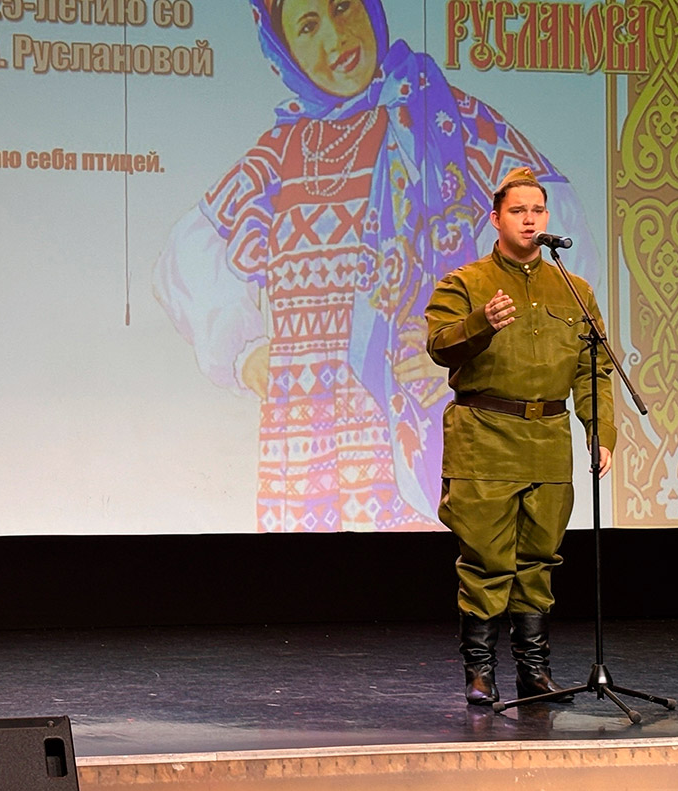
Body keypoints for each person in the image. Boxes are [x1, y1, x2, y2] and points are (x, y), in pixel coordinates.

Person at [154, 0, 599, 532]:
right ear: (284, 51)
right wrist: (245, 353)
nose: (336, 37)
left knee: (419, 561)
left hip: (412, 422)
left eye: (344, 8)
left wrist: (479, 349)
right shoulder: (282, 151)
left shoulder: (446, 117)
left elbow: (555, 233)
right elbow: (187, 255)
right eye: (308, 26)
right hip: (308, 428)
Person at [424, 166, 616, 705]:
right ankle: (480, 673)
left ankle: (535, 671)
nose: (529, 220)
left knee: (540, 559)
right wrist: (481, 321)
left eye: (537, 210)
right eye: (517, 211)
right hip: (483, 437)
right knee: (486, 560)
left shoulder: (574, 290)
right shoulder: (466, 283)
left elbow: (593, 367)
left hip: (548, 438)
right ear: (496, 218)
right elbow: (439, 346)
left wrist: (600, 430)